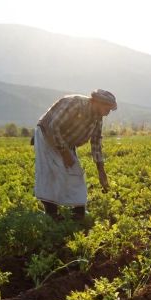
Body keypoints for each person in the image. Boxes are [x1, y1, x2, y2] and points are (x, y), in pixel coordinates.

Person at [33, 89, 117, 220]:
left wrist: (101, 170)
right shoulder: (75, 104)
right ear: (97, 102)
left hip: (65, 141)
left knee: (75, 172)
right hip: (46, 134)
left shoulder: (97, 118)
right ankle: (51, 213)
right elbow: (53, 126)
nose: (108, 112)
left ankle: (78, 211)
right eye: (108, 108)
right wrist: (64, 152)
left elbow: (96, 141)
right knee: (51, 171)